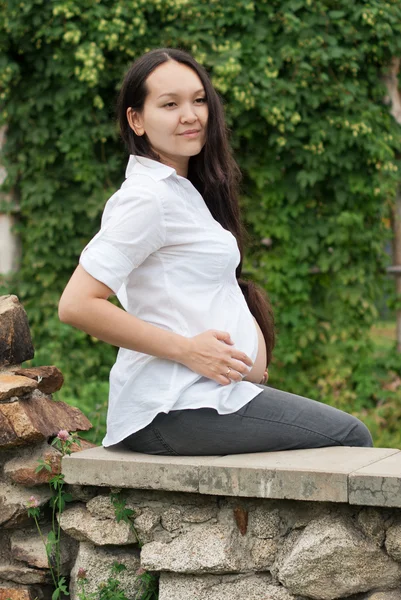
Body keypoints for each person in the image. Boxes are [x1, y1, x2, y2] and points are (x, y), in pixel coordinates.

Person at [58, 47, 373, 455]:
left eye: (199, 100)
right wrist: (188, 351)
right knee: (351, 437)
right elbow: (77, 304)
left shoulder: (185, 193)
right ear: (136, 120)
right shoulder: (146, 198)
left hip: (205, 397)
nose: (190, 115)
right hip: (174, 405)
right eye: (170, 104)